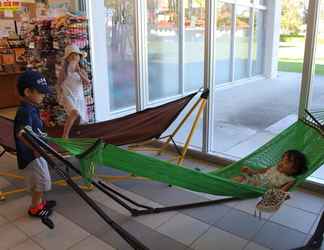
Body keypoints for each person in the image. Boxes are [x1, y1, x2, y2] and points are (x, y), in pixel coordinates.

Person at [14, 70, 56, 217]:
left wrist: (42, 136)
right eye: (41, 92)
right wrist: (36, 148)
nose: (44, 95)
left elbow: (33, 130)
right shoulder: (25, 111)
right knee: (41, 181)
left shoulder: (31, 108)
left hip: (36, 152)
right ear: (27, 92)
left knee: (41, 179)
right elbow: (22, 134)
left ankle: (40, 203)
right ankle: (35, 208)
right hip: (31, 155)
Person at [232, 150, 307, 192]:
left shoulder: (291, 180)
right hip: (255, 180)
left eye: (286, 162)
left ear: (294, 170)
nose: (281, 163)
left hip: (262, 190)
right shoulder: (274, 167)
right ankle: (227, 186)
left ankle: (235, 188)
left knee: (241, 182)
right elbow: (259, 172)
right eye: (282, 159)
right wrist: (250, 171)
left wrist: (275, 197)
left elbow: (281, 192)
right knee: (239, 178)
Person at [58, 44, 90, 138]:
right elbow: (59, 83)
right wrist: (59, 94)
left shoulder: (82, 70)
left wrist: (79, 71)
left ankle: (79, 135)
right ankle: (65, 135)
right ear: (67, 59)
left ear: (79, 57)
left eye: (76, 55)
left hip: (79, 97)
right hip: (67, 95)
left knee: (80, 118)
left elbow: (87, 82)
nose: (74, 58)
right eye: (71, 56)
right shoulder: (64, 70)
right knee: (74, 112)